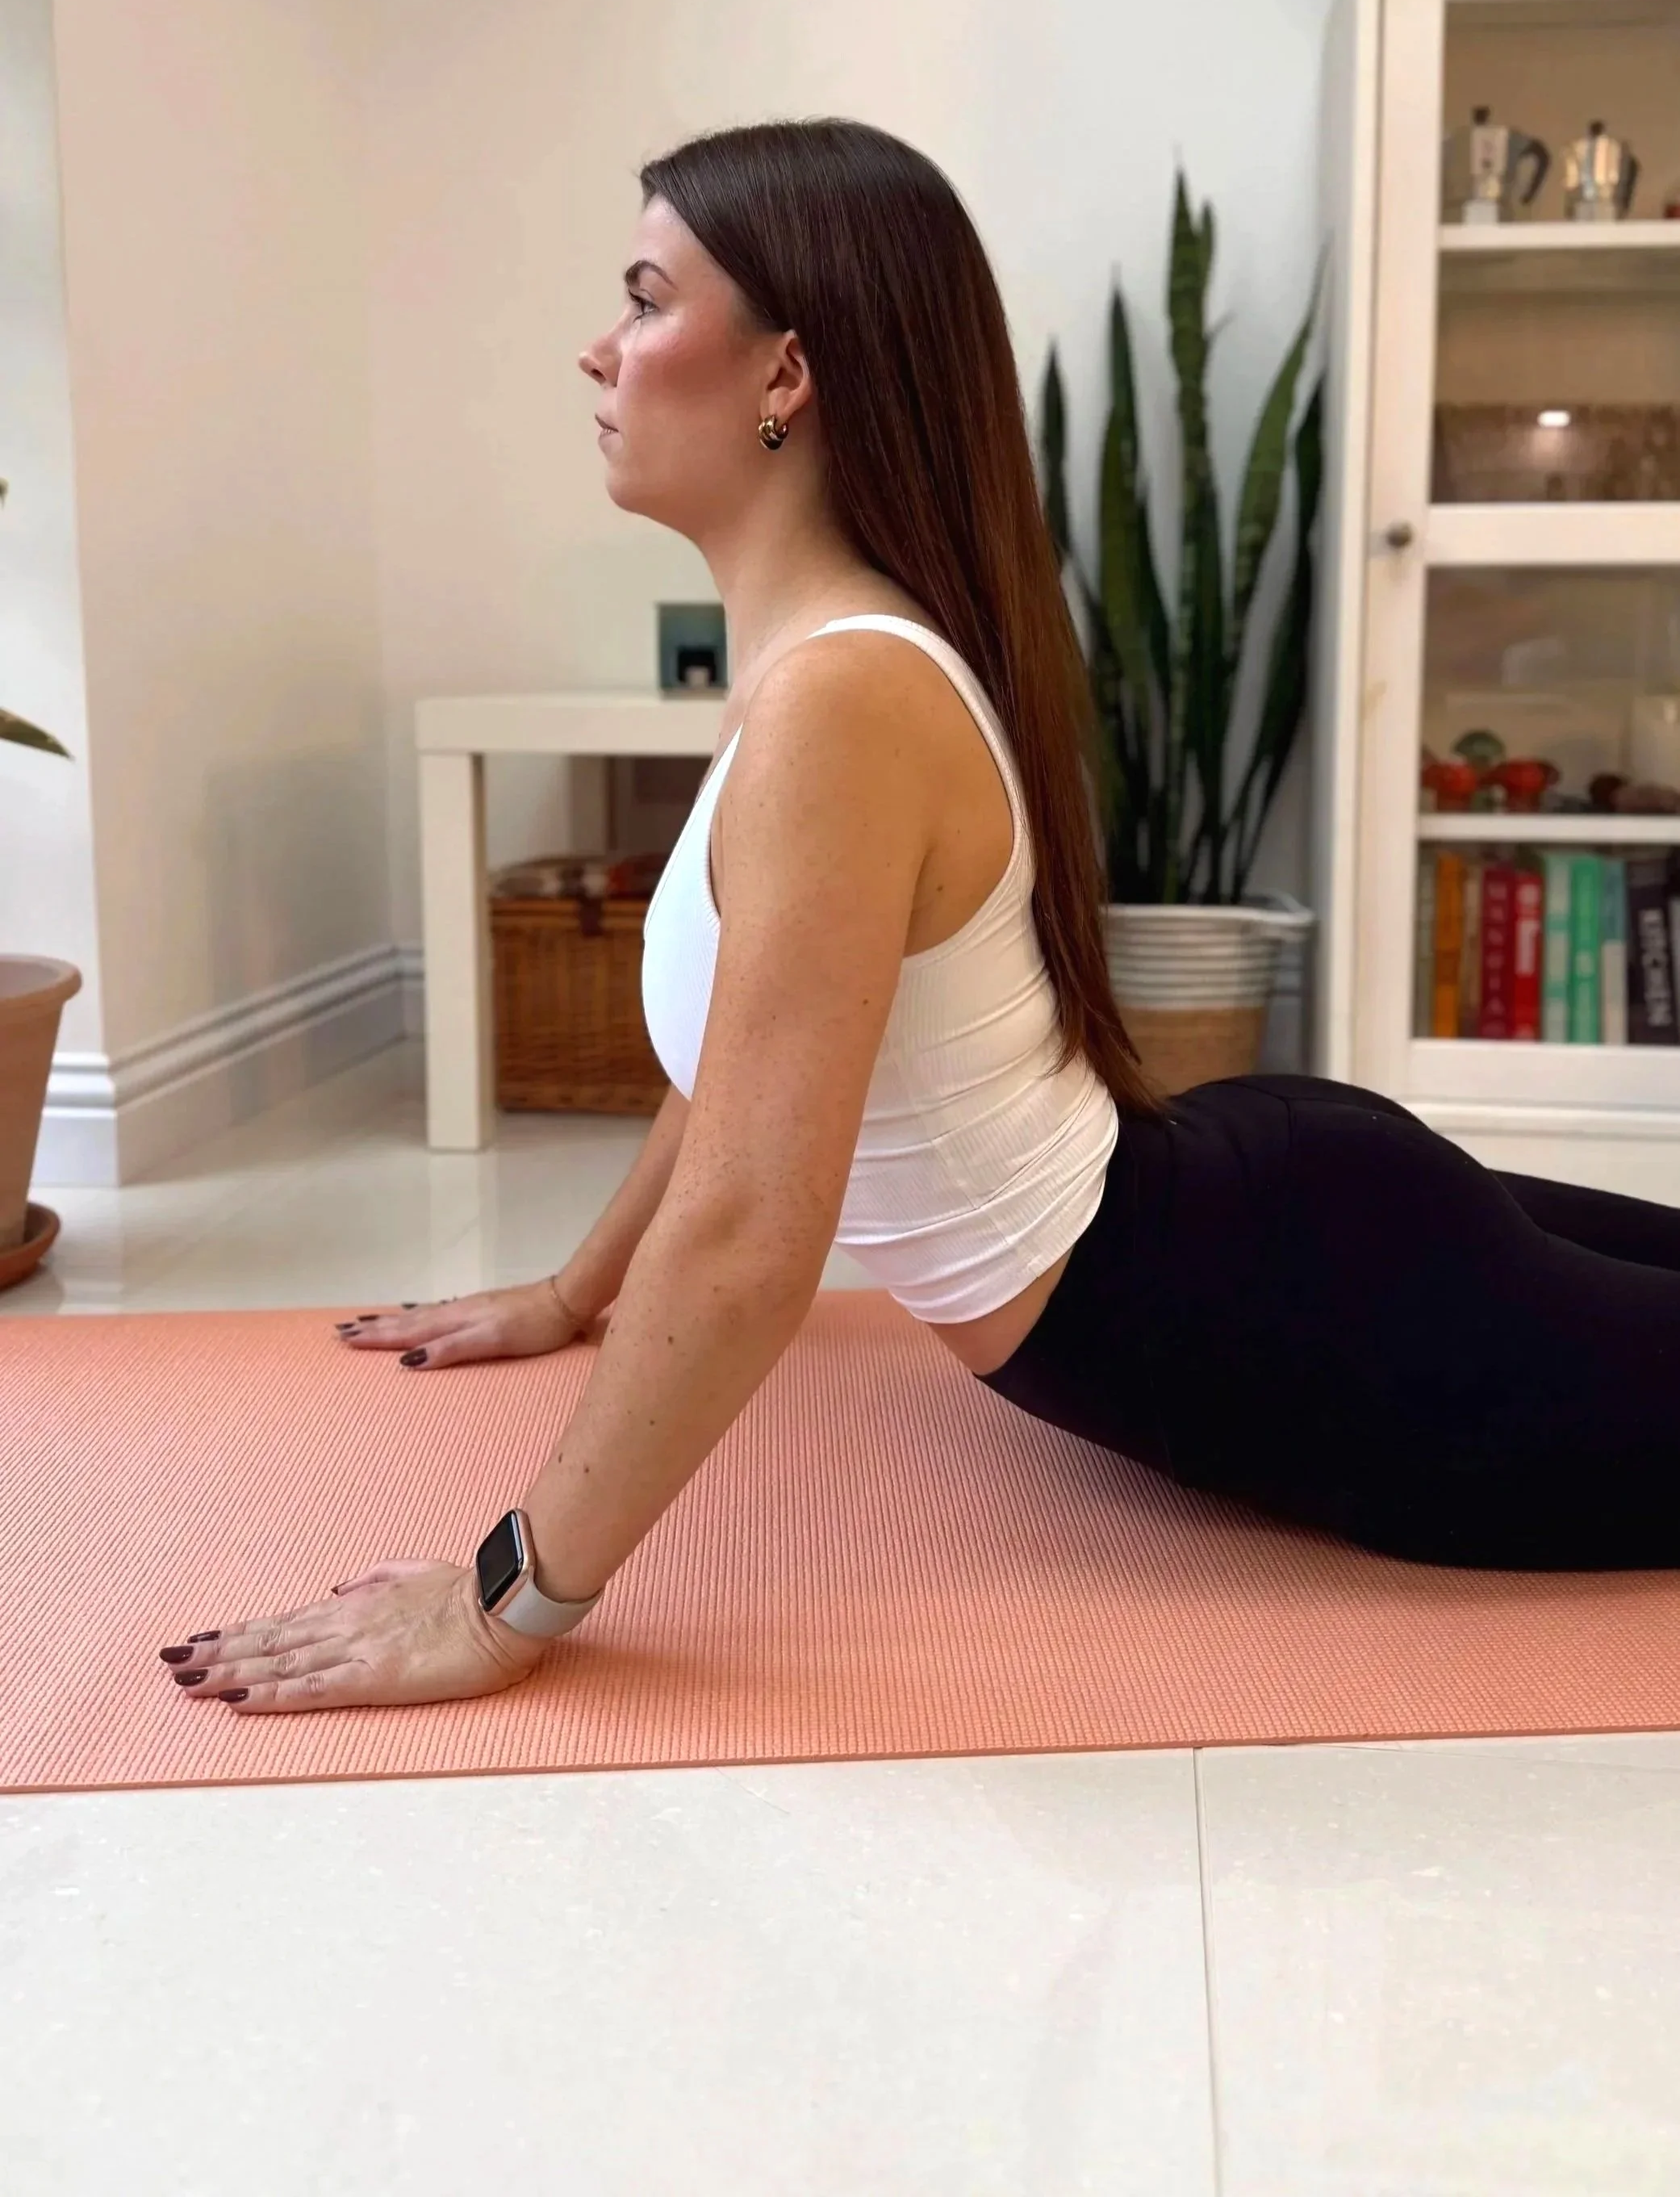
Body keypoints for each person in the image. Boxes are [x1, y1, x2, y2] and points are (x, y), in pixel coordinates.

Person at [158, 119, 1680, 1719]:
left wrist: (502, 1601)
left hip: (1311, 1310)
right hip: (1258, 1217)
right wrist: (573, 1290)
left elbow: (753, 1238)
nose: (597, 349)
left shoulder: (841, 699)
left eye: (647, 299)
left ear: (785, 373)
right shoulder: (816, 665)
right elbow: (751, 1047)